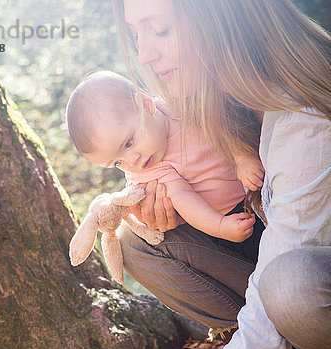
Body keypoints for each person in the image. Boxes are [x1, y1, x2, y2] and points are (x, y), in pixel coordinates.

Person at [61, 0, 331, 349]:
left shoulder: (302, 111)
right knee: (143, 238)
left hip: (303, 269)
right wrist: (176, 211)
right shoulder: (201, 99)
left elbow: (264, 324)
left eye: (160, 29)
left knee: (289, 287)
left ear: (219, 18)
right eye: (136, 35)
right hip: (273, 244)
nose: (146, 53)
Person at [66, 70, 265, 246]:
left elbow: (221, 119)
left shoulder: (178, 104)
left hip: (257, 174)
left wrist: (243, 157)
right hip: (231, 217)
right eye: (117, 163)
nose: (132, 161)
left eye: (129, 143)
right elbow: (185, 199)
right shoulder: (147, 173)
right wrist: (221, 227)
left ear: (145, 105)